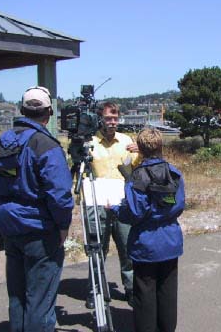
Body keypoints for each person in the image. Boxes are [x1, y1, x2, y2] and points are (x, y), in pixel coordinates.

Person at [0, 86, 74, 332]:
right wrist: (63, 226)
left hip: (10, 229)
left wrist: (7, 211)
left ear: (22, 110)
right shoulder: (45, 145)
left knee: (17, 296)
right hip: (40, 230)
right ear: (49, 113)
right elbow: (60, 195)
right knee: (40, 301)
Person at [108, 128, 185, 332]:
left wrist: (115, 209)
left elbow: (134, 213)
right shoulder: (174, 173)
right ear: (161, 146)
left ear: (139, 148)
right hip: (170, 239)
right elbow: (178, 206)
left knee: (144, 293)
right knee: (167, 292)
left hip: (146, 243)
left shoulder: (138, 176)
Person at [84, 101, 140, 309]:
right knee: (97, 249)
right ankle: (96, 291)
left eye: (115, 118)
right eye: (108, 118)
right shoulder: (89, 142)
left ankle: (131, 289)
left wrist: (140, 151)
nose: (112, 122)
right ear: (100, 118)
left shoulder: (126, 141)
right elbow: (81, 172)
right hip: (97, 203)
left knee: (128, 248)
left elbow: (134, 167)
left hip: (122, 203)